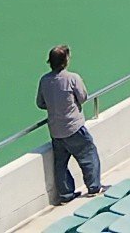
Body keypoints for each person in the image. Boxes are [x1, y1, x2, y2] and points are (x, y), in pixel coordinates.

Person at [37, 45, 102, 204]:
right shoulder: (73, 78)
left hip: (56, 130)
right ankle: (93, 187)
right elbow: (83, 97)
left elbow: (40, 103)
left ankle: (66, 195)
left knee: (60, 164)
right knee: (88, 155)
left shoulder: (44, 80)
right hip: (74, 127)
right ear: (65, 61)